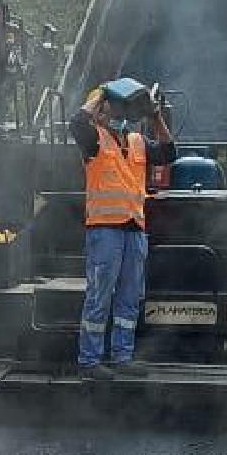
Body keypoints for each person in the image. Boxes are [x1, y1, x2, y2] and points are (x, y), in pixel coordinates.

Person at [69, 80, 177, 380]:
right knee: (100, 295)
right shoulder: (94, 140)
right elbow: (76, 122)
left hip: (133, 228)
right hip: (105, 230)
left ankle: (122, 356)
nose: (112, 111)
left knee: (129, 296)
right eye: (107, 106)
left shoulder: (136, 141)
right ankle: (89, 361)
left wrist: (155, 118)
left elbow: (169, 153)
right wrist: (100, 95)